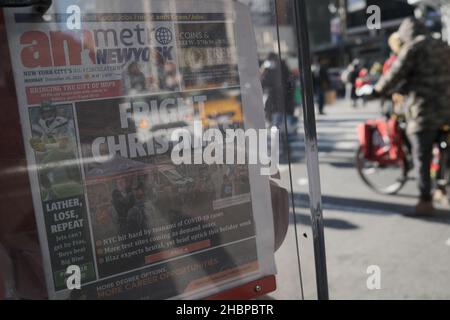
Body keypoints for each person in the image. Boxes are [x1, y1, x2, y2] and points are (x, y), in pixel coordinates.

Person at [375, 18, 450, 215]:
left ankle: (425, 201)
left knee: (421, 156)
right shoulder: (442, 44)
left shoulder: (413, 48)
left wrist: (377, 90)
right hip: (447, 109)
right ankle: (443, 187)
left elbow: (394, 74)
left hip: (424, 112)